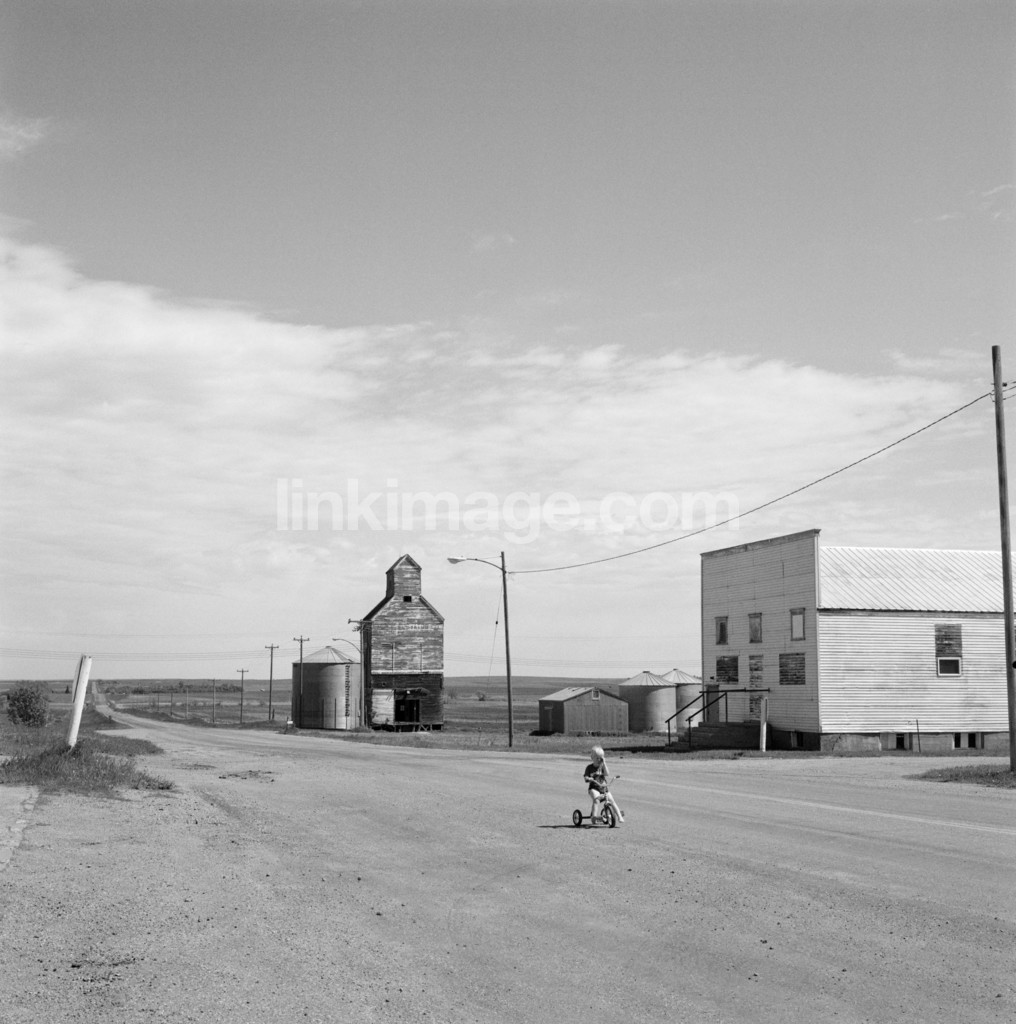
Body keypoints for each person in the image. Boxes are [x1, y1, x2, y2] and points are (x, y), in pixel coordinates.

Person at [583, 745, 624, 823]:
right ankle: (594, 817)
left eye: (601, 758)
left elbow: (607, 774)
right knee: (596, 800)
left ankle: (619, 816)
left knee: (612, 800)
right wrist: (588, 778)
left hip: (604, 788)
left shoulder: (602, 766)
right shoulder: (589, 768)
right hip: (594, 788)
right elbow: (586, 777)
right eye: (597, 758)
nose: (599, 760)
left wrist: (604, 763)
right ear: (592, 758)